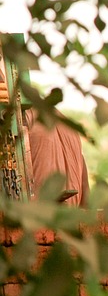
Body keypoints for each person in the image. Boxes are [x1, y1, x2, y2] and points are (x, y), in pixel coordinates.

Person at [0, 74, 89, 207]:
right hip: (69, 220)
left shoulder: (20, 119)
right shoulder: (70, 128)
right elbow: (86, 201)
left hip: (34, 220)